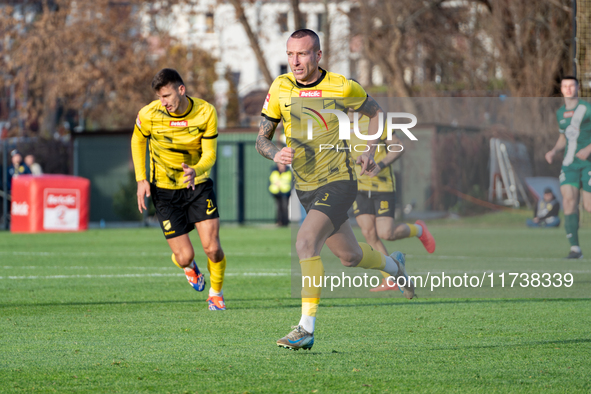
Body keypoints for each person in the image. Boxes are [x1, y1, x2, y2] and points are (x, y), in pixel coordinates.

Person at [256, 29, 415, 351]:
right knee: (350, 256)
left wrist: (370, 150)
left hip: (339, 181)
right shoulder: (280, 87)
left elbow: (376, 114)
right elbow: (262, 138)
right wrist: (275, 153)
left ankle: (305, 328)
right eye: (290, 54)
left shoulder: (342, 87)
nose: (295, 61)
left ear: (318, 55)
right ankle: (396, 266)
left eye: (302, 54)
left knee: (304, 242)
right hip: (305, 186)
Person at [131, 68, 227, 310]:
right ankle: (189, 268)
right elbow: (137, 139)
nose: (163, 102)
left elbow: (210, 154)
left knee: (213, 248)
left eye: (166, 96)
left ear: (181, 90)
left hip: (198, 184)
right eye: (159, 97)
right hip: (163, 190)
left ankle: (216, 293)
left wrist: (196, 168)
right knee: (185, 256)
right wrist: (141, 179)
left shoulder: (205, 112)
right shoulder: (149, 113)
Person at [349, 114, 436, 292]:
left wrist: (380, 164)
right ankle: (390, 279)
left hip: (382, 186)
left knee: (386, 233)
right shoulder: (337, 123)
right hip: (358, 187)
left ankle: (419, 229)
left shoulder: (375, 121)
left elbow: (398, 147)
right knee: (368, 232)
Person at [545, 76, 591, 259]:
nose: (568, 89)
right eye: (565, 86)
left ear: (578, 87)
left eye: (572, 85)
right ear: (561, 89)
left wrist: (588, 149)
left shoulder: (587, 109)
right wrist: (554, 150)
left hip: (588, 164)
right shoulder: (560, 113)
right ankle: (575, 249)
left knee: (588, 206)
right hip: (569, 164)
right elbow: (564, 137)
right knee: (569, 201)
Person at [269, 162, 292, 226]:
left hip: (285, 192)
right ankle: (279, 221)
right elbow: (271, 181)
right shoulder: (274, 171)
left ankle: (285, 222)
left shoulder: (288, 171)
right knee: (278, 208)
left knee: (285, 207)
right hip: (277, 192)